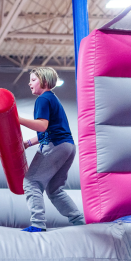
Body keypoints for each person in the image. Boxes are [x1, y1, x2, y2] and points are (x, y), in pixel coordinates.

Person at [19, 67, 85, 232]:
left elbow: (42, 126)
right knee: (55, 190)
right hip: (67, 147)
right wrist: (28, 142)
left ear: (44, 81)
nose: (29, 83)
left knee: (31, 182)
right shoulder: (53, 99)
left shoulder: (43, 99)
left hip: (55, 145)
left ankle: (38, 224)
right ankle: (79, 222)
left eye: (33, 79)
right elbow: (48, 130)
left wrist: (17, 119)